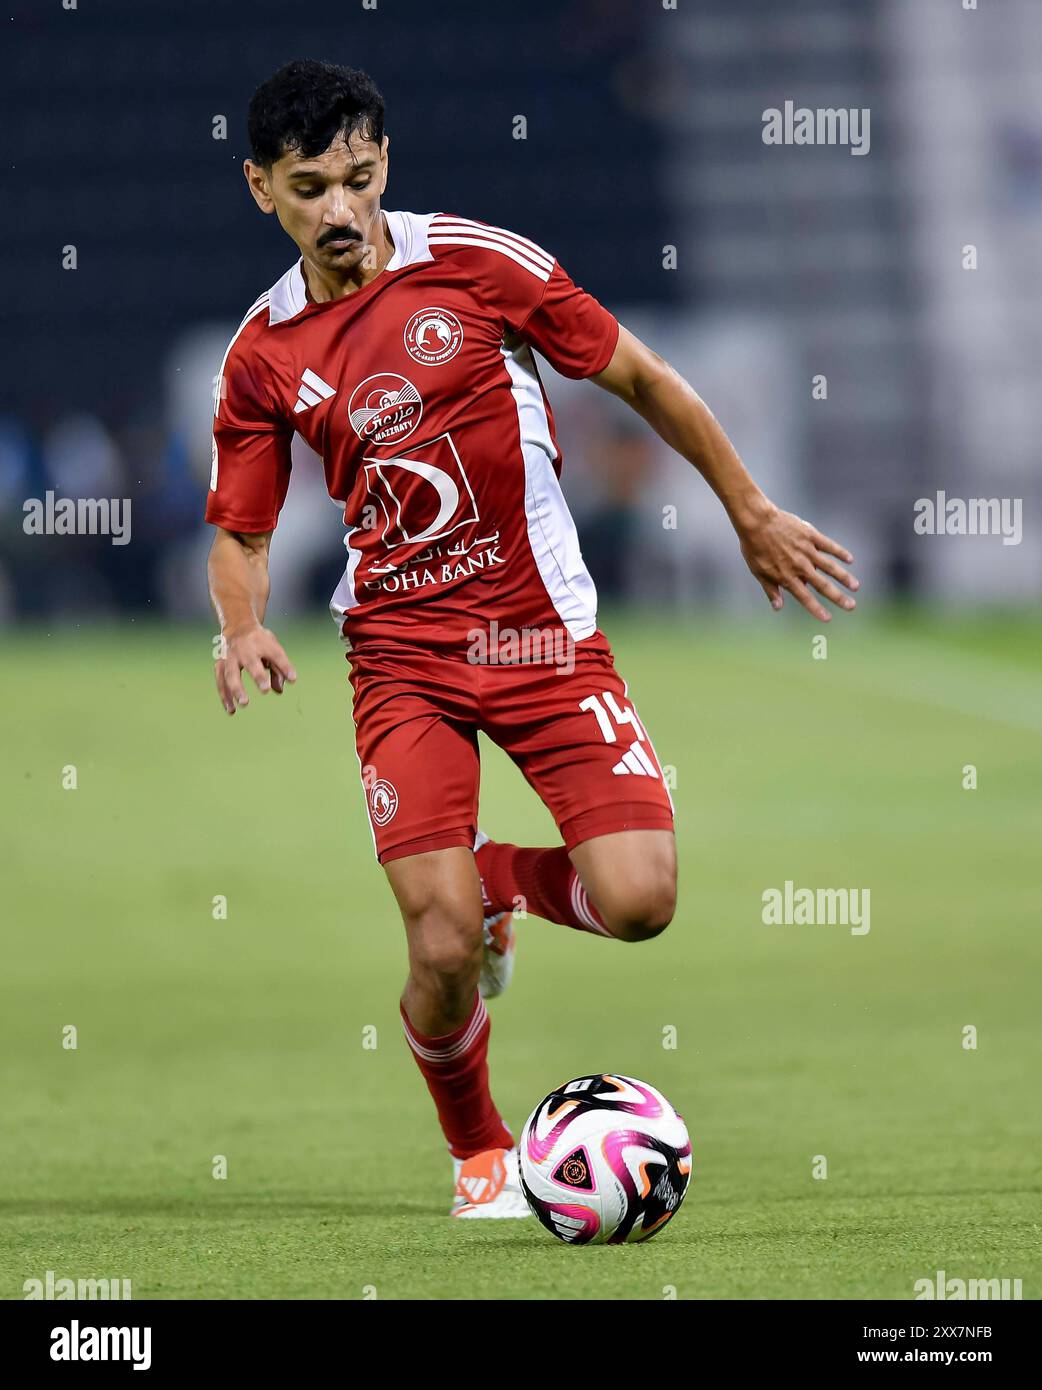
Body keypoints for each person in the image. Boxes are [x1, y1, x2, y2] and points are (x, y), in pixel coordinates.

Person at [205, 59, 859, 1218]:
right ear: (263, 189)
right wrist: (243, 626)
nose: (341, 210)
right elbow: (241, 528)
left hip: (541, 640)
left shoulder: (479, 263)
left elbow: (641, 376)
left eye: (358, 178)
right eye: (310, 188)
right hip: (400, 656)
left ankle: (501, 882)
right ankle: (478, 1153)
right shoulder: (262, 356)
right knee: (440, 941)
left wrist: (749, 511)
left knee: (642, 899)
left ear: (385, 164)